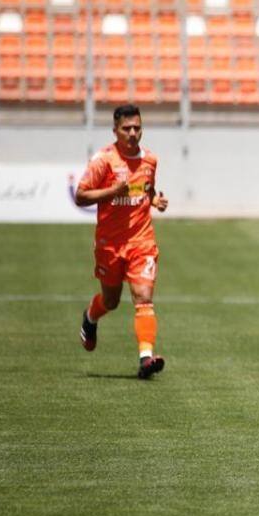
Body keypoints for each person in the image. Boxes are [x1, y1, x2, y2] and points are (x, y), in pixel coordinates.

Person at [75, 104, 169, 379]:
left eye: (137, 128)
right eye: (126, 128)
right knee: (111, 300)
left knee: (143, 298)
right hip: (110, 244)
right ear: (115, 130)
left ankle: (145, 359)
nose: (132, 133)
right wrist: (112, 191)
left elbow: (146, 190)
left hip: (142, 241)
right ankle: (90, 317)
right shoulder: (103, 160)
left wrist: (155, 200)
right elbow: (80, 196)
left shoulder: (150, 160)